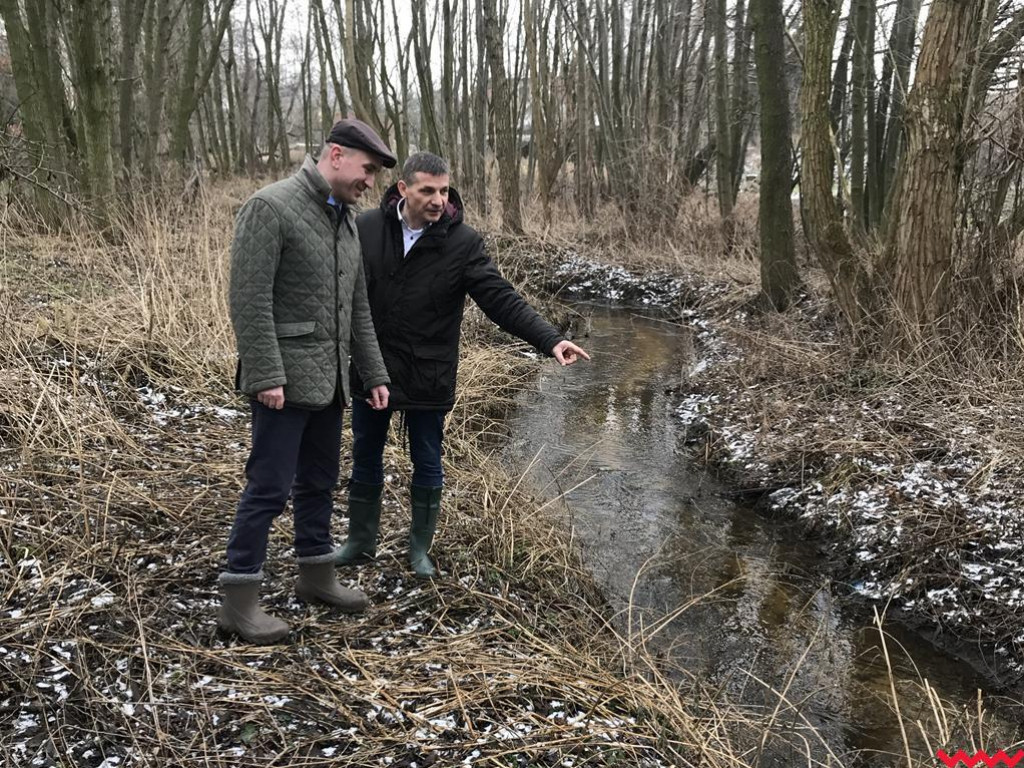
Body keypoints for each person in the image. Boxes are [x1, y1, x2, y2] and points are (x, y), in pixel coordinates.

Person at [334, 151, 590, 578]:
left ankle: (419, 550)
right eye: (427, 191)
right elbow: (343, 296)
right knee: (365, 455)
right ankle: (360, 541)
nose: (438, 200)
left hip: (428, 374)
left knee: (428, 460)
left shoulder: (462, 242)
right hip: (371, 368)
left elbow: (499, 299)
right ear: (403, 189)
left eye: (443, 190)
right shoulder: (366, 229)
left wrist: (551, 339)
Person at [218, 119, 396, 644]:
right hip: (283, 384)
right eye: (367, 170)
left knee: (319, 482)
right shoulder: (270, 207)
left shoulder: (345, 219)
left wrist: (374, 373)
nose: (370, 182)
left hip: (332, 383)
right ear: (336, 156)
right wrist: (267, 373)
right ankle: (239, 599)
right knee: (268, 488)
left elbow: (357, 307)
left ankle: (316, 576)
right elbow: (247, 300)